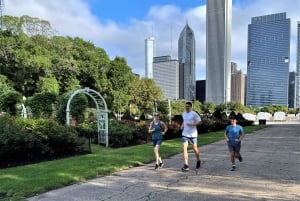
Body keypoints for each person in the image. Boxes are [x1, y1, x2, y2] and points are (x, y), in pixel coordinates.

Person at [180, 101, 202, 171]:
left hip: (193, 134)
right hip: (185, 134)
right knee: (184, 148)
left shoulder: (194, 114)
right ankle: (186, 165)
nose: (187, 107)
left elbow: (200, 122)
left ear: (191, 107)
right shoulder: (183, 114)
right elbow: (184, 121)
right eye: (186, 106)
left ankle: (198, 159)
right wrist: (182, 126)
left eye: (188, 106)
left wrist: (193, 124)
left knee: (195, 149)